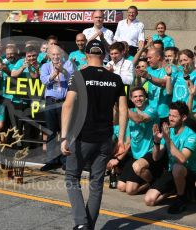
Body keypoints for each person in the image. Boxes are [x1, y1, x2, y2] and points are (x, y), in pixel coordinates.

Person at [61, 40, 127, 230]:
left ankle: (82, 224)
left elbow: (68, 104)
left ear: (87, 55)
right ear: (104, 55)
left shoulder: (79, 75)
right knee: (96, 182)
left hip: (82, 137)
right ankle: (88, 225)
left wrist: (64, 137)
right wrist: (120, 139)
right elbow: (122, 110)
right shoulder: (115, 79)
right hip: (105, 138)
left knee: (72, 177)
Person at [145, 101, 196, 214]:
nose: (170, 119)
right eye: (169, 115)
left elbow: (182, 160)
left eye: (174, 116)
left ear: (183, 118)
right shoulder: (169, 131)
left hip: (187, 173)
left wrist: (168, 139)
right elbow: (156, 157)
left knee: (177, 168)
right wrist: (157, 141)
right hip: (171, 172)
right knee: (149, 200)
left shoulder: (191, 135)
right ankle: (175, 189)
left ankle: (181, 198)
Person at [117, 87, 161, 195]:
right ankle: (144, 180)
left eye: (141, 96)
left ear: (146, 97)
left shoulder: (152, 110)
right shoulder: (130, 113)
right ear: (131, 99)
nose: (138, 99)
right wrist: (117, 159)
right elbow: (128, 141)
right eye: (135, 97)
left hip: (149, 153)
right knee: (121, 186)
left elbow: (139, 119)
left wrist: (122, 106)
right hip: (135, 156)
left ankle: (153, 182)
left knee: (130, 190)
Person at [40, 45, 74, 171]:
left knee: (65, 132)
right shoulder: (45, 66)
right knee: (51, 132)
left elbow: (71, 78)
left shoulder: (68, 64)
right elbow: (44, 80)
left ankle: (66, 160)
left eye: (57, 54)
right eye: (53, 55)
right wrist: (54, 74)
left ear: (62, 55)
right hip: (51, 101)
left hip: (64, 102)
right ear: (49, 55)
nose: (55, 57)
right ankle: (51, 160)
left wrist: (62, 71)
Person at [136, 48, 171, 126]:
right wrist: (138, 77)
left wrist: (148, 76)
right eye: (147, 58)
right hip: (151, 110)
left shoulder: (168, 69)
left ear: (158, 57)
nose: (147, 60)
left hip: (165, 112)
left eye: (150, 58)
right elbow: (139, 86)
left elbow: (164, 83)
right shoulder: (148, 70)